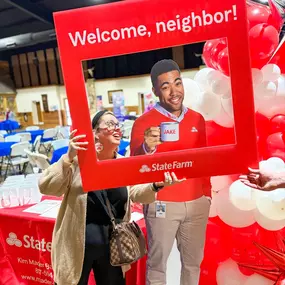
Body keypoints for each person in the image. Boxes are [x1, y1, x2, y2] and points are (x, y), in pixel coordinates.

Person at [39, 110, 185, 285]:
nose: (116, 128)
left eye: (118, 124)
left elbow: (134, 193)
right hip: (76, 246)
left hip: (114, 246)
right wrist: (68, 157)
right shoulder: (77, 162)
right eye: (109, 124)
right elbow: (46, 186)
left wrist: (156, 185)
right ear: (94, 133)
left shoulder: (123, 164)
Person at [130, 59, 211, 285]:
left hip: (197, 203)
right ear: (155, 90)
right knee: (157, 266)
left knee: (193, 264)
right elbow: (134, 168)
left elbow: (204, 161)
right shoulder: (143, 123)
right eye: (165, 86)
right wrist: (147, 147)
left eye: (177, 83)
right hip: (161, 203)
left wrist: (207, 195)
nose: (174, 92)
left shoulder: (197, 119)